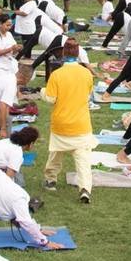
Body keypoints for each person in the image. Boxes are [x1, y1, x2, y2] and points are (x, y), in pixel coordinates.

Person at [41, 39, 97, 203]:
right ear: (78, 53)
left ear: (64, 53)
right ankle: (85, 188)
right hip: (81, 124)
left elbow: (51, 99)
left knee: (55, 153)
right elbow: (87, 95)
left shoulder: (56, 74)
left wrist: (43, 91)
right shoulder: (86, 73)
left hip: (61, 123)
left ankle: (51, 179)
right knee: (83, 160)